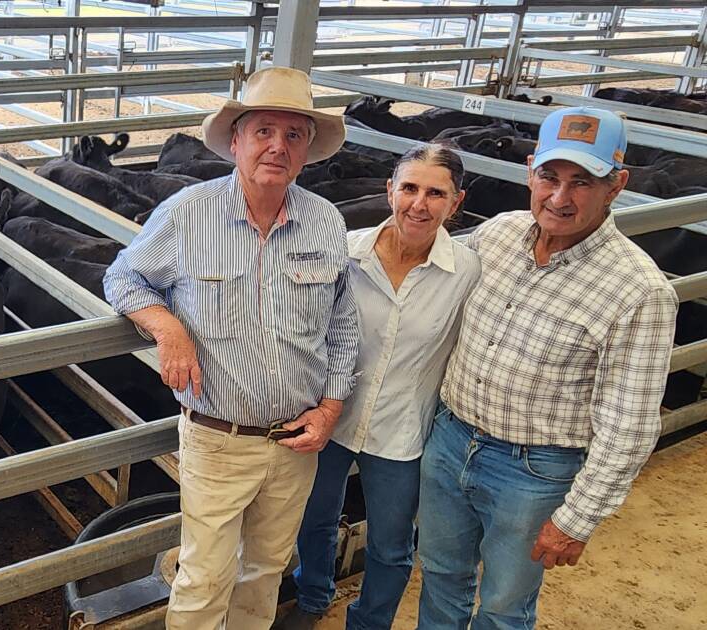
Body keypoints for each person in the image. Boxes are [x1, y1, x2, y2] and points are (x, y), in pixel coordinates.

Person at [103, 65, 360, 630]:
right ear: (236, 140)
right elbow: (122, 278)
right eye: (264, 131)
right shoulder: (189, 212)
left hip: (296, 441)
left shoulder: (325, 222)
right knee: (204, 576)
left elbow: (342, 325)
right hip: (218, 437)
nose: (277, 146)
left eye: (294, 135)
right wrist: (168, 329)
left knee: (266, 569)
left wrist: (331, 409)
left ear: (308, 148)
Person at [416, 106, 678, 629]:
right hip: (449, 440)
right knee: (441, 574)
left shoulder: (639, 290)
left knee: (504, 604)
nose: (560, 197)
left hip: (533, 470)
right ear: (530, 169)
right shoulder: (498, 234)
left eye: (583, 181)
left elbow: (629, 424)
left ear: (617, 185)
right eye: (550, 177)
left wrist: (578, 517)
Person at [281, 144, 481, 630]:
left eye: (436, 193)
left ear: (456, 203)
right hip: (330, 416)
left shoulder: (467, 272)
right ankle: (313, 596)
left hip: (403, 430)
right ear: (389, 189)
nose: (419, 203)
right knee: (315, 519)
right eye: (409, 187)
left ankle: (369, 623)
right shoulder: (344, 253)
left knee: (392, 545)